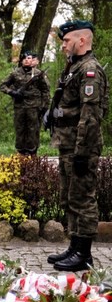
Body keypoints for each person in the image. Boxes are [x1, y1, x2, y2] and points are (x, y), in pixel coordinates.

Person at [45, 20, 108, 272]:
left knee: (83, 198)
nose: (63, 46)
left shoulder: (90, 69)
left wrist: (83, 151)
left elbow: (90, 116)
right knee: (69, 196)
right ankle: (74, 246)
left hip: (81, 146)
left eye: (66, 40)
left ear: (82, 41)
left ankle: (84, 253)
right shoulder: (74, 66)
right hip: (67, 143)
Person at [0, 51, 51, 155]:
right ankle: (21, 153)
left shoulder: (38, 74)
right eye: (25, 59)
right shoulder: (15, 73)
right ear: (22, 61)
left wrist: (44, 106)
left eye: (30, 58)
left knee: (33, 131)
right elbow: (3, 86)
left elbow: (45, 90)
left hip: (34, 107)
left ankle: (32, 154)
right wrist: (12, 92)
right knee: (20, 130)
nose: (28, 60)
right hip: (20, 106)